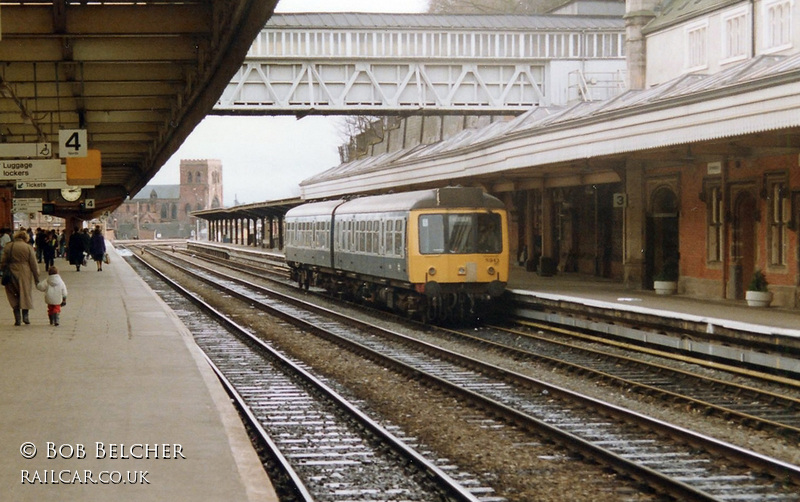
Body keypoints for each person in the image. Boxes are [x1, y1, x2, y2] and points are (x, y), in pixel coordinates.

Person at [1, 230, 41, 326]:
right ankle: (25, 316)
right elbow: (33, 263)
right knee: (25, 293)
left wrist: (3, 269)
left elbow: (3, 261)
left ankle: (17, 318)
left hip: (10, 272)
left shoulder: (8, 246)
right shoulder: (28, 247)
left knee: (12, 294)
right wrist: (36, 277)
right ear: (25, 238)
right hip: (24, 272)